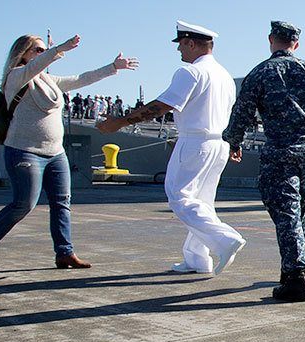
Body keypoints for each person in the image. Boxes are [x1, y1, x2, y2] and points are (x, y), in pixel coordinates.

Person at [0, 33, 137, 271]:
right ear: (23, 54)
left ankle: (65, 253)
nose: (41, 53)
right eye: (37, 50)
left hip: (56, 153)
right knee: (23, 204)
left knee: (62, 203)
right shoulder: (16, 77)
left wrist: (112, 67)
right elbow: (39, 64)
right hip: (24, 151)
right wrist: (60, 49)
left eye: (42, 50)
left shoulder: (48, 81)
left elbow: (82, 79)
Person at [97, 21, 244, 275]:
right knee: (202, 203)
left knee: (179, 198)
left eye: (181, 45)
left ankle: (225, 239)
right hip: (218, 143)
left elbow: (163, 105)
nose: (179, 52)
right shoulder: (224, 76)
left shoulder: (190, 73)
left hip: (194, 140)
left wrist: (120, 122)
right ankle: (197, 259)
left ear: (190, 42)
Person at [223, 21, 305, 301]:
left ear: (271, 40)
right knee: (300, 213)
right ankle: (290, 270)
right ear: (296, 44)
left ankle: (295, 277)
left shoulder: (260, 73)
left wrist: (234, 141)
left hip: (281, 154)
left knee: (287, 215)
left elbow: (242, 113)